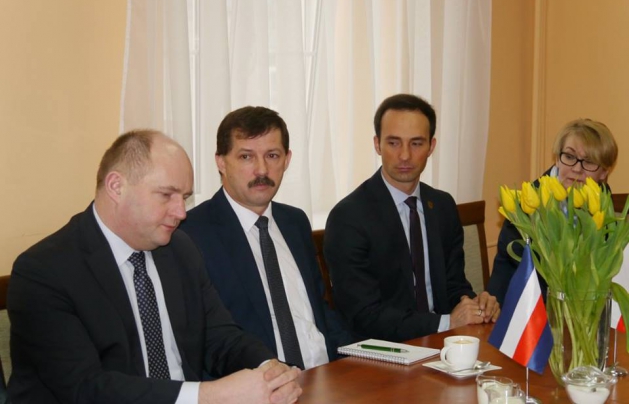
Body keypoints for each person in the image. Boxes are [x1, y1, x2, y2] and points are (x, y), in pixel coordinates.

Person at [8, 130, 302, 404]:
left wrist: (268, 368)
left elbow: (220, 337)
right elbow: (86, 388)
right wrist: (209, 395)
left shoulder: (179, 249)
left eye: (184, 197)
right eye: (166, 195)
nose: (181, 212)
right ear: (116, 187)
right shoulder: (44, 272)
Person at [180, 106, 353, 370]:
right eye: (246, 157)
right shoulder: (191, 234)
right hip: (259, 383)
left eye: (272, 155)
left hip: (327, 376)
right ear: (221, 162)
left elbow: (318, 311)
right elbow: (202, 342)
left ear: (287, 159)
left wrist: (354, 360)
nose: (262, 170)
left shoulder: (294, 222)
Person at [323, 93, 500, 342]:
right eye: (394, 143)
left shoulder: (442, 206)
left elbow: (453, 285)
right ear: (377, 144)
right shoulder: (349, 218)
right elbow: (364, 315)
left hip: (444, 342)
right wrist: (447, 322)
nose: (405, 155)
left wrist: (474, 304)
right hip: (382, 351)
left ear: (431, 147)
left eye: (416, 143)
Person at [487, 118, 618, 305]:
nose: (577, 169)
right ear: (557, 159)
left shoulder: (602, 202)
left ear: (604, 173)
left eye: (589, 161)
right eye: (569, 157)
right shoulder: (527, 205)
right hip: (530, 309)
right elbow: (514, 276)